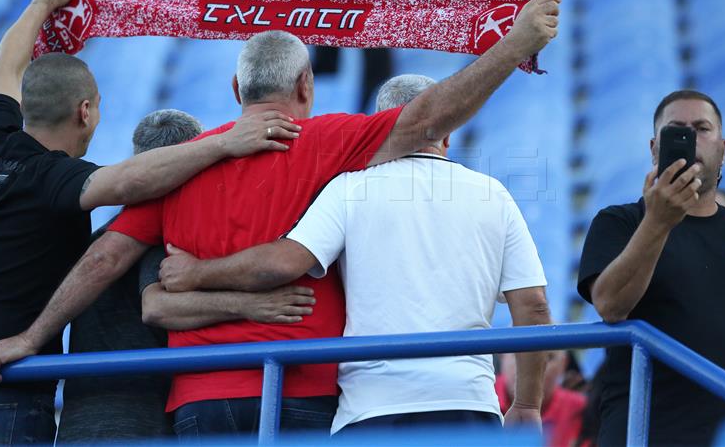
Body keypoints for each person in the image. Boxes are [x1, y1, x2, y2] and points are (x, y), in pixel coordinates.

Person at [0, 0, 561, 439]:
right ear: (307, 86)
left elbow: (107, 255)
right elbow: (427, 118)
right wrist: (511, 48)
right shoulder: (337, 146)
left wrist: (31, 337)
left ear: (236, 86)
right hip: (308, 388)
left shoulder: (180, 164)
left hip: (200, 398)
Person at [0, 0, 301, 446]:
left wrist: (39, 5)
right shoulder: (53, 179)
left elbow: (4, 69)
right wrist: (224, 143)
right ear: (85, 112)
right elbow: (128, 181)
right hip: (6, 387)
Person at [159, 74, 551, 434]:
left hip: (372, 409)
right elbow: (532, 306)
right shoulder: (493, 194)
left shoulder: (351, 187)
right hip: (468, 404)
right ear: (447, 134)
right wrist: (528, 404)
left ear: (383, 127)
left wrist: (196, 273)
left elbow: (283, 263)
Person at [57, 109, 316, 443]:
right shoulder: (162, 236)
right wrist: (251, 305)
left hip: (79, 424)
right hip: (142, 426)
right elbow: (156, 308)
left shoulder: (99, 239)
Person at [577, 90, 725, 446]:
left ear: (723, 148)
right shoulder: (618, 221)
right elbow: (611, 305)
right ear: (654, 148)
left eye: (702, 129)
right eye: (677, 130)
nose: (690, 139)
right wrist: (658, 221)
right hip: (641, 435)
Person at [496, 349, 587, 446]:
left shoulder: (581, 409)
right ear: (502, 356)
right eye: (517, 355)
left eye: (548, 357)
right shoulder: (481, 398)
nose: (528, 367)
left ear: (563, 364)